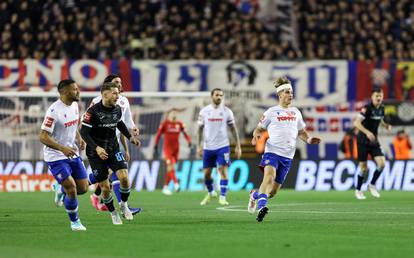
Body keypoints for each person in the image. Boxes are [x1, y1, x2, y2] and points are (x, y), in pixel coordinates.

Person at [248, 77, 320, 222]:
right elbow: (259, 128)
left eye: (291, 92)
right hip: (272, 151)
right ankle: (262, 207)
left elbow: (301, 132)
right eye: (287, 92)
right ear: (280, 95)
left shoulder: (296, 112)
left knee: (273, 192)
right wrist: (256, 136)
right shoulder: (271, 112)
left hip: (287, 156)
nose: (290, 95)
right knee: (268, 177)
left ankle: (254, 195)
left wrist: (310, 139)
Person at [80, 82, 140, 225]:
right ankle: (113, 213)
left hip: (113, 148)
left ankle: (124, 205)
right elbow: (84, 132)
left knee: (124, 178)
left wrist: (130, 136)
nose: (117, 96)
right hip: (96, 153)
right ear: (104, 94)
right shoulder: (92, 112)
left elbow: (120, 123)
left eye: (118, 93)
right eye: (114, 93)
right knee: (105, 187)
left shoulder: (118, 109)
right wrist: (97, 148)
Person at [39, 79, 89, 231]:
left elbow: (74, 125)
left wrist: (79, 138)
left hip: (72, 152)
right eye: (75, 89)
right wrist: (62, 148)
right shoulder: (54, 111)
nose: (78, 91)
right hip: (55, 156)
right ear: (65, 92)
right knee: (72, 189)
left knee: (83, 189)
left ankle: (60, 189)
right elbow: (43, 136)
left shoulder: (74, 105)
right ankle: (75, 222)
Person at [197, 88, 242, 206]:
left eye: (221, 95)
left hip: (223, 146)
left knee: (222, 170)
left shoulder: (227, 111)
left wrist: (238, 146)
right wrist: (199, 145)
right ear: (211, 96)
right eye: (217, 95)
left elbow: (233, 129)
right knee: (207, 173)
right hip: (208, 147)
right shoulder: (204, 112)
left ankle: (222, 196)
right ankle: (211, 192)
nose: (219, 97)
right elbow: (199, 129)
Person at [353, 87, 392, 200]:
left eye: (380, 96)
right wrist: (367, 132)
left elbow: (380, 119)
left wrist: (386, 126)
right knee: (364, 169)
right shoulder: (367, 108)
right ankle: (358, 190)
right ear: (372, 97)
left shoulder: (382, 108)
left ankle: (372, 185)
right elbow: (356, 123)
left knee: (382, 164)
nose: (379, 98)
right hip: (362, 141)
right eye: (377, 96)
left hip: (374, 141)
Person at [154, 108, 192, 195]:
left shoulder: (180, 124)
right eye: (172, 113)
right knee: (170, 167)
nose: (174, 114)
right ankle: (176, 184)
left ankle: (165, 187)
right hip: (167, 149)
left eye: (175, 113)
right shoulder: (165, 124)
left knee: (171, 169)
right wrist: (156, 145)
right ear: (170, 114)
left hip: (176, 150)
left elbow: (186, 134)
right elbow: (158, 135)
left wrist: (189, 141)